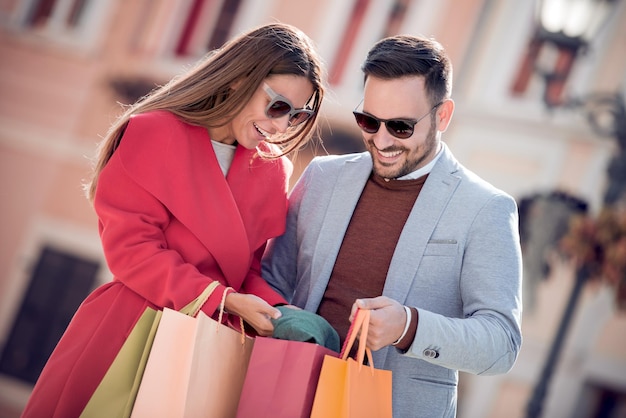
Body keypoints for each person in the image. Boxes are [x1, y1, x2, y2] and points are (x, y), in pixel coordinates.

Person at [22, 22, 325, 417]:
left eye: (297, 116)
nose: (283, 126)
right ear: (237, 82)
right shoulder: (153, 133)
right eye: (278, 106)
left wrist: (279, 312)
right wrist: (225, 300)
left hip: (206, 346)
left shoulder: (272, 169)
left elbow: (246, 267)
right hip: (129, 329)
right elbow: (133, 252)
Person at [263, 34, 522, 417]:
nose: (380, 140)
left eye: (400, 126)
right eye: (368, 120)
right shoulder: (321, 177)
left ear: (442, 116)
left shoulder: (486, 209)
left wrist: (410, 327)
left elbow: (501, 344)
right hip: (285, 397)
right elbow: (272, 282)